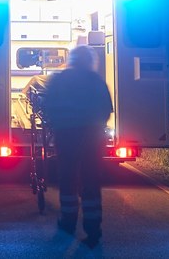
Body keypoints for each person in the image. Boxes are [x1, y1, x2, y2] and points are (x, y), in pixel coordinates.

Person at [42, 45, 113, 248]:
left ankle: (68, 223)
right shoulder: (96, 81)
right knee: (91, 180)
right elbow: (106, 110)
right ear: (90, 60)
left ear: (71, 59)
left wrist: (58, 125)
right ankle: (93, 230)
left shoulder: (59, 80)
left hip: (66, 136)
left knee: (67, 180)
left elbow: (49, 106)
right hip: (92, 137)